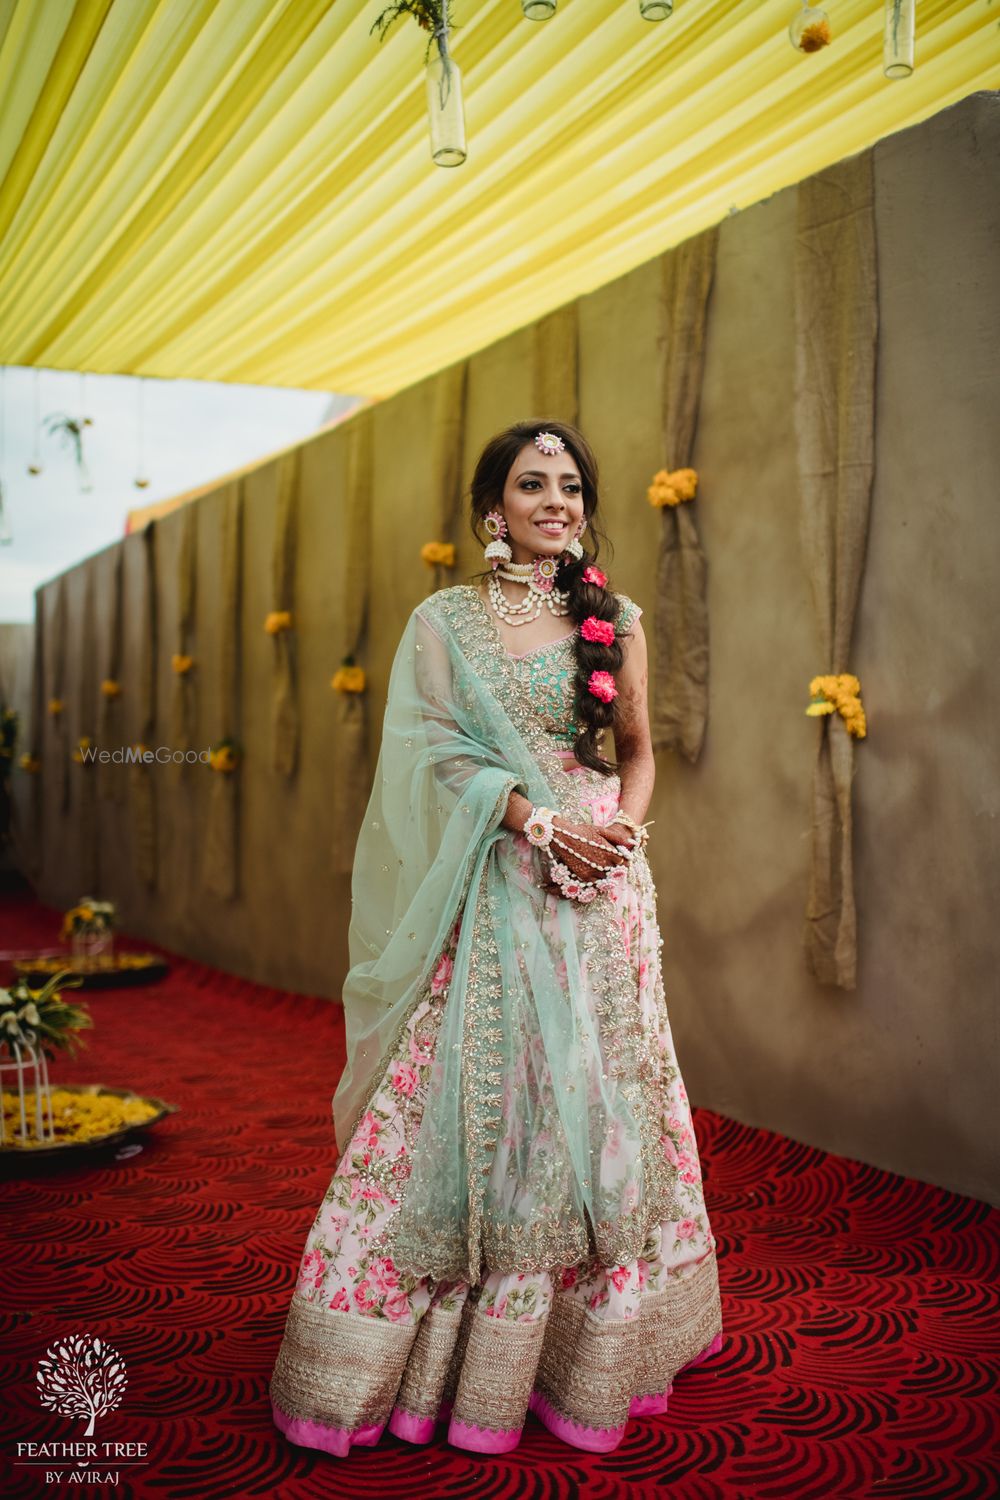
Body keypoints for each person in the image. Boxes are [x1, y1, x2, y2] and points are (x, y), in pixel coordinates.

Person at [269, 419, 723, 1457]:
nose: (554, 500)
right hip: (501, 872)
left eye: (569, 484)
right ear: (493, 509)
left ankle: (583, 1349)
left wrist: (616, 831)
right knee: (475, 1094)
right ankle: (424, 1356)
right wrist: (533, 821)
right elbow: (428, 750)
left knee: (602, 1099)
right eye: (531, 484)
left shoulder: (617, 617)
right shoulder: (445, 621)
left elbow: (641, 750)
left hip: (601, 887)